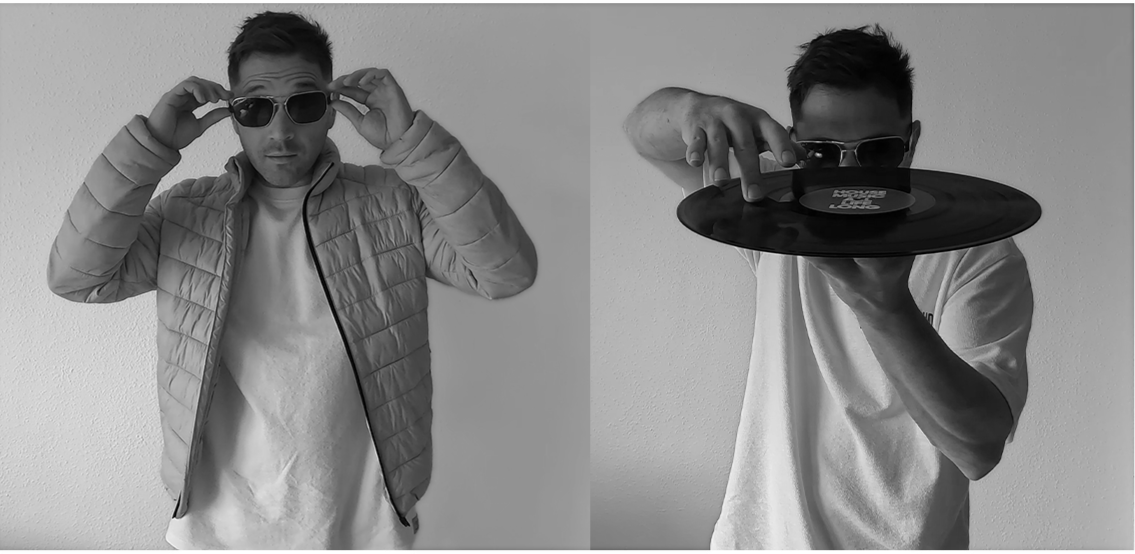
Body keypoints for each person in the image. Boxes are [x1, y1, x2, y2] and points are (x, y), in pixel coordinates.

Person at [46, 11, 537, 551]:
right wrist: (151, 148)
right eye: (255, 108)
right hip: (221, 522)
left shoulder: (394, 201)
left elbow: (505, 273)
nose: (280, 133)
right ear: (233, 117)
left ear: (330, 111)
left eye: (303, 105)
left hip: (361, 521)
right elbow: (77, 279)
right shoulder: (185, 212)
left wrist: (413, 143)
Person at [623, 24, 1033, 550]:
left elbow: (978, 449)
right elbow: (645, 133)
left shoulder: (979, 254)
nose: (849, 174)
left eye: (877, 152)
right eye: (822, 153)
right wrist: (691, 108)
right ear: (794, 147)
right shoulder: (768, 206)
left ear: (910, 143)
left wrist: (885, 308)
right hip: (764, 538)